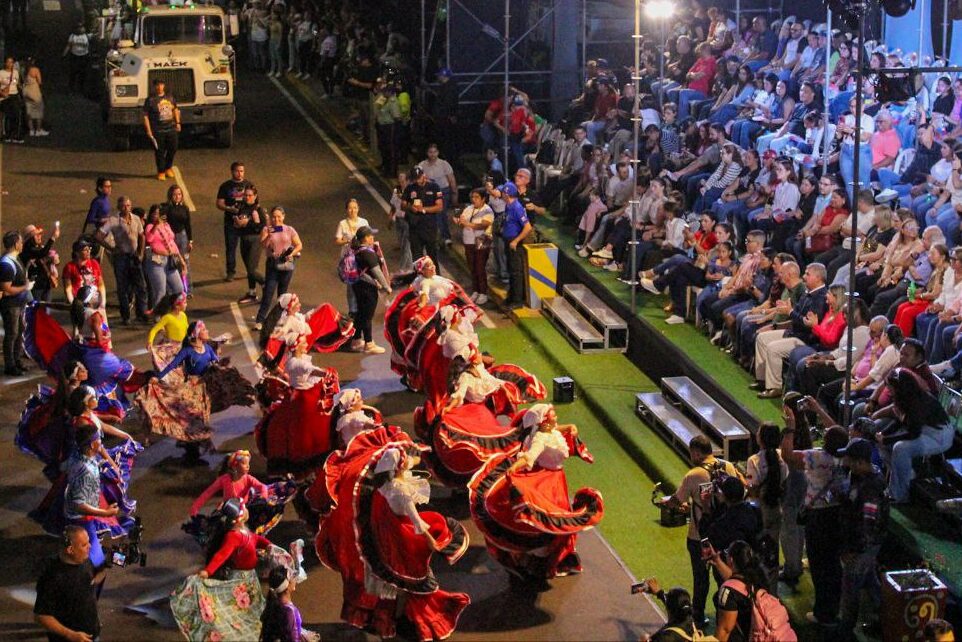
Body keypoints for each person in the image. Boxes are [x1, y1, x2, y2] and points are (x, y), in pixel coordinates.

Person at [470, 404, 603, 581]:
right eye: (553, 416)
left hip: (556, 480)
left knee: (555, 517)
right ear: (543, 422)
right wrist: (514, 468)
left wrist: (569, 427)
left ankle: (545, 558)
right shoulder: (541, 439)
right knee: (547, 519)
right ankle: (535, 560)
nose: (556, 418)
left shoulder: (550, 431)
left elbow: (555, 430)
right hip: (546, 482)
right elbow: (529, 457)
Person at [658, 435, 740, 628]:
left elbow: (676, 501)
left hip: (699, 536)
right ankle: (725, 616)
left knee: (701, 578)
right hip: (724, 533)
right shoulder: (728, 467)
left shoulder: (694, 474)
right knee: (724, 578)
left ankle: (699, 617)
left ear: (696, 452)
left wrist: (666, 502)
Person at [781, 408, 850, 626]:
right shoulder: (847, 456)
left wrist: (790, 428)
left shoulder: (817, 457)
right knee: (833, 563)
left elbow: (787, 455)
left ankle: (824, 614)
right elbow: (839, 432)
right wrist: (818, 408)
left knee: (820, 565)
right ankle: (835, 608)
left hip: (819, 516)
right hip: (838, 514)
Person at [170, 499, 269, 642]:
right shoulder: (233, 536)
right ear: (239, 517)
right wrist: (208, 571)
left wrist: (268, 545)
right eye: (244, 508)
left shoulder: (243, 531)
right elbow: (221, 555)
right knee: (236, 611)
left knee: (252, 610)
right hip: (240, 579)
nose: (248, 510)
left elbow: (255, 539)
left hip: (250, 579)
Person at [835, 437, 888, 641]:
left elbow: (867, 526)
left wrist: (851, 550)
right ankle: (885, 619)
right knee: (870, 581)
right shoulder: (866, 476)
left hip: (862, 547)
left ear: (859, 462)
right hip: (867, 546)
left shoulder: (870, 489)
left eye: (849, 459)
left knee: (851, 588)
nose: (846, 462)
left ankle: (845, 631)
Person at [34, 525, 101, 642]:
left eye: (88, 542)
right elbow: (41, 616)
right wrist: (70, 635)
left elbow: (92, 580)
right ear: (70, 550)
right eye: (84, 545)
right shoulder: (52, 578)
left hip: (91, 634)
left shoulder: (85, 561)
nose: (90, 546)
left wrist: (109, 565)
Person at [96, 196, 148, 325]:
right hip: (121, 257)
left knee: (140, 286)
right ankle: (126, 316)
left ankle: (141, 313)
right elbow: (98, 236)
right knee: (123, 288)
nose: (126, 208)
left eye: (128, 205)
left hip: (134, 256)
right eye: (124, 206)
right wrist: (112, 248)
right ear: (119, 207)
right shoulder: (113, 221)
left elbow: (142, 235)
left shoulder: (136, 219)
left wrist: (141, 253)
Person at [255, 206, 303, 330]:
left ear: (283, 216)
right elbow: (263, 245)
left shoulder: (289, 229)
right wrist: (268, 235)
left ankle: (279, 319)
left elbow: (299, 245)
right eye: (274, 217)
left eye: (279, 217)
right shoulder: (267, 229)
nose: (276, 219)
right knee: (268, 293)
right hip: (273, 265)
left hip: (287, 265)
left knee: (282, 295)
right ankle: (260, 320)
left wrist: (291, 254)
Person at [349, 226, 391, 354]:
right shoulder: (367, 253)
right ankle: (369, 343)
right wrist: (386, 286)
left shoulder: (356, 250)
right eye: (370, 235)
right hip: (367, 288)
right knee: (367, 315)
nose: (372, 237)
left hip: (358, 285)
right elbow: (376, 271)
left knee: (361, 314)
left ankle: (356, 340)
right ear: (365, 238)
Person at [455, 188, 494, 305]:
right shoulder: (468, 209)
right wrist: (459, 221)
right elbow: (462, 222)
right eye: (472, 197)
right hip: (468, 242)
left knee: (480, 267)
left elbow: (483, 225)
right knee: (472, 267)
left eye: (477, 197)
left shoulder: (487, 210)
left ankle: (483, 293)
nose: (474, 199)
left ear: (483, 199)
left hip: (481, 243)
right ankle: (476, 290)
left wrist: (468, 224)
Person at [261, 566, 319, 642]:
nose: (295, 578)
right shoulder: (289, 611)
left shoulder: (274, 605)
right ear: (287, 586)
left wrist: (303, 633)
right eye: (292, 576)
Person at [143, 204, 185, 311]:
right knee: (160, 291)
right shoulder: (149, 227)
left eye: (159, 214)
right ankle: (158, 314)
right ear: (151, 215)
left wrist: (181, 260)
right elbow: (149, 239)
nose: (157, 216)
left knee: (179, 288)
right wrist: (156, 226)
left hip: (169, 261)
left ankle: (173, 310)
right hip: (156, 263)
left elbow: (172, 243)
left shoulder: (166, 225)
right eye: (155, 214)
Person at [0, 230, 31, 375]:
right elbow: (6, 290)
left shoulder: (15, 259)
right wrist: (25, 287)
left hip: (19, 303)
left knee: (19, 332)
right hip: (11, 305)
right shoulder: (6, 264)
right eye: (20, 241)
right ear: (15, 244)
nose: (22, 244)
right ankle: (10, 365)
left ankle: (17, 360)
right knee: (12, 334)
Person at [402, 166, 443, 272]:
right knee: (417, 257)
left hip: (429, 227)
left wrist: (423, 209)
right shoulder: (410, 188)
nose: (417, 180)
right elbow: (403, 204)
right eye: (415, 178)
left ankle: (436, 276)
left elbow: (439, 207)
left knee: (432, 255)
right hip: (415, 227)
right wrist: (410, 207)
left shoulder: (434, 187)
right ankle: (419, 277)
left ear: (424, 175)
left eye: (419, 177)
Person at [216, 161, 253, 281]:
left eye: (242, 171)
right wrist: (229, 208)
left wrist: (249, 215)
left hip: (246, 222)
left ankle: (251, 270)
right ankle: (230, 272)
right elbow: (219, 203)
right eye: (237, 171)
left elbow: (255, 202)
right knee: (231, 248)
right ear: (232, 171)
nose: (240, 173)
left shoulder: (249, 185)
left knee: (247, 248)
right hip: (230, 222)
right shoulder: (225, 186)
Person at [335, 198, 370, 318]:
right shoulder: (342, 223)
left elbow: (369, 238)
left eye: (355, 208)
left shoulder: (364, 222)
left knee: (363, 283)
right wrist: (347, 241)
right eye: (350, 208)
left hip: (362, 257)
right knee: (351, 285)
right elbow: (337, 240)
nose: (352, 210)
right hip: (348, 260)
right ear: (346, 210)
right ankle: (352, 309)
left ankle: (361, 307)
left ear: (358, 209)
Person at [500, 181, 533, 309]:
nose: (501, 194)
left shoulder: (517, 208)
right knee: (511, 270)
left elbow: (527, 227)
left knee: (516, 272)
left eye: (503, 192)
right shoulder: (508, 206)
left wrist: (516, 241)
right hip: (508, 241)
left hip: (514, 243)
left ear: (507, 194)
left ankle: (518, 300)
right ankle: (512, 296)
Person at [142, 79, 180, 181]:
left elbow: (175, 109)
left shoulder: (170, 97)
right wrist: (148, 130)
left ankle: (168, 167)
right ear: (154, 87)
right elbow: (145, 116)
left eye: (161, 85)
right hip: (158, 130)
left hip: (171, 128)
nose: (159, 87)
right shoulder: (150, 100)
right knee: (159, 151)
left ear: (164, 86)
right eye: (157, 85)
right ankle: (161, 171)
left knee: (173, 148)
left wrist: (178, 123)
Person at [233, 185, 266, 304]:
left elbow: (263, 226)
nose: (247, 197)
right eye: (246, 195)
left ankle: (266, 284)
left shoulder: (258, 209)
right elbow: (238, 224)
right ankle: (252, 293)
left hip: (255, 240)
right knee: (249, 269)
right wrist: (237, 223)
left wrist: (248, 223)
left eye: (250, 195)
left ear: (255, 196)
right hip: (244, 239)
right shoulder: (242, 207)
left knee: (252, 269)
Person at [162, 185, 193, 294]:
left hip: (182, 236)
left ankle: (187, 290)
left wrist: (190, 240)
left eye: (179, 194)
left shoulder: (185, 208)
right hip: (170, 237)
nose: (177, 196)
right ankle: (171, 290)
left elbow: (188, 225)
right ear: (170, 195)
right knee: (170, 262)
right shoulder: (166, 208)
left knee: (184, 262)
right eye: (174, 194)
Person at [0, 56, 24, 143]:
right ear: (5, 63)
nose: (10, 64)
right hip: (5, 96)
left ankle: (16, 135)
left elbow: (17, 83)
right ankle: (7, 135)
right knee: (8, 116)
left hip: (14, 95)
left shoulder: (15, 72)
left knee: (17, 115)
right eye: (8, 62)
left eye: (11, 62)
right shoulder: (1, 73)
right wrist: (2, 93)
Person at [63, 23, 90, 95]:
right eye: (80, 27)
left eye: (82, 27)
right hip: (74, 56)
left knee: (82, 73)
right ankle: (71, 89)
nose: (82, 29)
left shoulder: (85, 36)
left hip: (83, 56)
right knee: (73, 73)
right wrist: (64, 54)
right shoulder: (72, 36)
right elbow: (68, 45)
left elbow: (88, 45)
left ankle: (81, 89)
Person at [22, 58, 46, 137]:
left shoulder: (24, 70)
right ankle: (38, 130)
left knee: (29, 112)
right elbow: (39, 81)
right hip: (34, 91)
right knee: (38, 112)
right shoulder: (35, 70)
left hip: (26, 91)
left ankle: (31, 130)